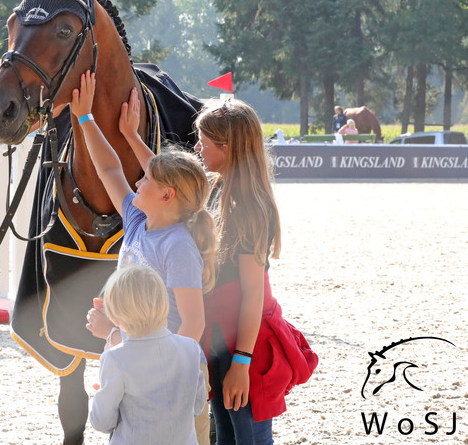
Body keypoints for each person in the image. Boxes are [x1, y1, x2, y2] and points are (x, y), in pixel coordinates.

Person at [70, 70, 217, 445]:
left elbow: (193, 324)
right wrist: (85, 118)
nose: (138, 182)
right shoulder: (139, 220)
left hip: (164, 377)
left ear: (167, 195)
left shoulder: (178, 246)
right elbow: (108, 169)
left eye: (146, 180)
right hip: (136, 361)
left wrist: (130, 349)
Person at [194, 98, 318, 445]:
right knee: (226, 436)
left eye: (203, 143)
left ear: (227, 146)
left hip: (247, 344)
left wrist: (242, 363)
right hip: (220, 338)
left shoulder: (247, 205)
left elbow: (253, 293)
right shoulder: (217, 187)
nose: (197, 149)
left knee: (250, 436)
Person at [89, 266, 208, 444]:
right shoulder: (190, 347)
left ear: (115, 317)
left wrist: (103, 394)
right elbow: (197, 405)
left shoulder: (115, 359)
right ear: (164, 304)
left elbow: (102, 421)